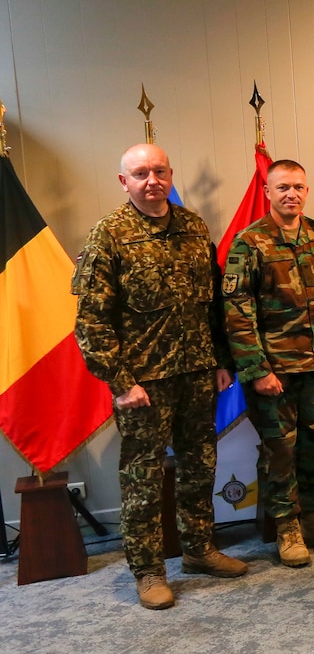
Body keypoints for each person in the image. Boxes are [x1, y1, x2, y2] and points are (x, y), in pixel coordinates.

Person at [72, 143, 248, 610]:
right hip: (143, 383)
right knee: (144, 478)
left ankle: (199, 550)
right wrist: (120, 381)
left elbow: (211, 303)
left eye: (159, 171)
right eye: (140, 173)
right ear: (123, 181)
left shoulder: (192, 226)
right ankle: (149, 571)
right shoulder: (108, 235)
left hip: (196, 373)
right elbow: (91, 321)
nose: (152, 180)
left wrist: (221, 359)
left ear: (171, 174)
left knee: (199, 468)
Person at [223, 159, 314, 566]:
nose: (292, 194)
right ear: (268, 191)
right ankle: (287, 528)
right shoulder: (249, 243)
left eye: (299, 187)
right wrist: (257, 369)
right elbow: (236, 311)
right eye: (283, 187)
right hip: (275, 371)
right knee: (280, 451)